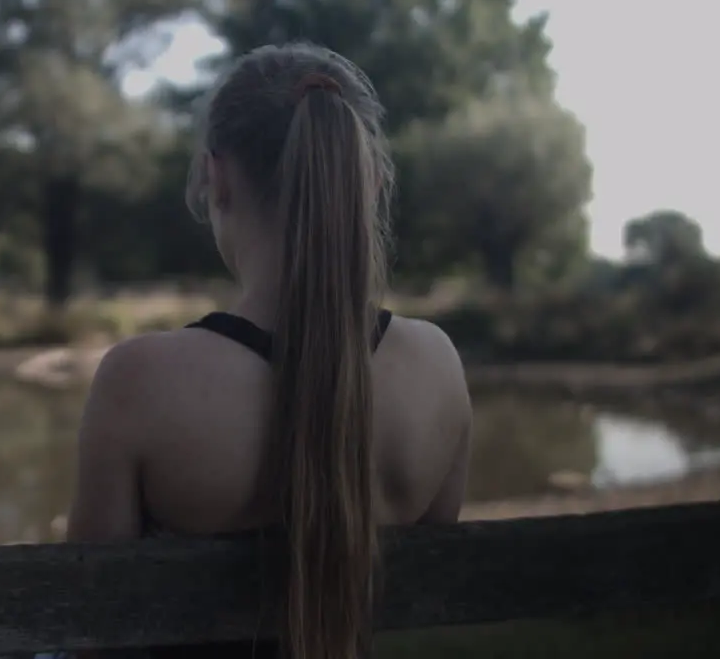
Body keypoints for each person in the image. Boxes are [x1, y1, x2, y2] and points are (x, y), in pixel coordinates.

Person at [65, 42, 473, 658]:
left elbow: (84, 616)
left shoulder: (140, 381)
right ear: (372, 183)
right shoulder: (436, 365)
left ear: (217, 176)